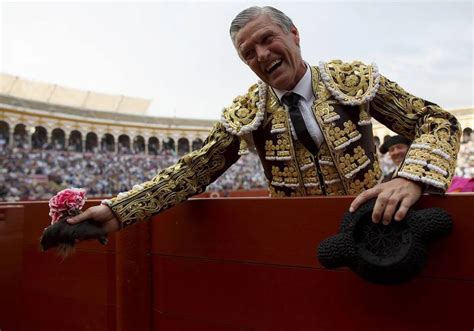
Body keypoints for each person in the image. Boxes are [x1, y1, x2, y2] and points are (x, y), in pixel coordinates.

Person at [68, 6, 460, 234]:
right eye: (248, 53)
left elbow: (436, 121)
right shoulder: (246, 114)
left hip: (375, 228)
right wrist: (117, 211)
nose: (261, 54)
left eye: (268, 38)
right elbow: (191, 173)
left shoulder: (350, 80)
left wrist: (410, 178)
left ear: (293, 34)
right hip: (294, 239)